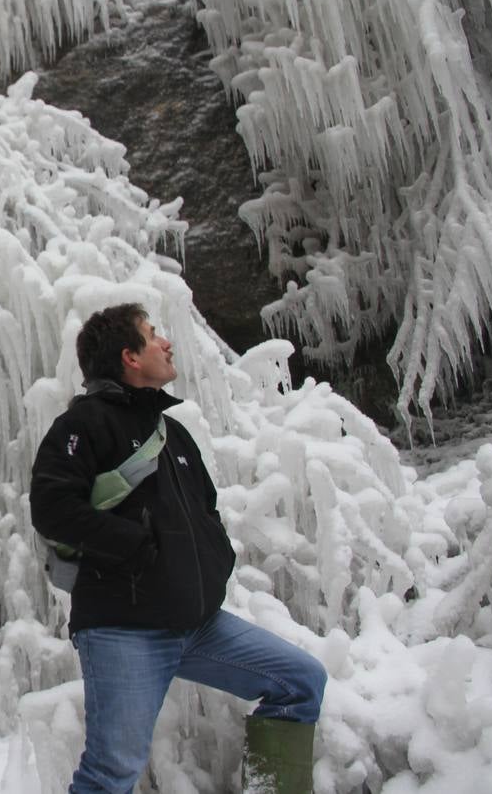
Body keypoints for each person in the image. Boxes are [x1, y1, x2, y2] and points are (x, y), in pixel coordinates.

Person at [29, 303, 326, 794]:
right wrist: (135, 547)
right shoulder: (83, 426)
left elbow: (204, 509)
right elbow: (52, 508)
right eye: (153, 335)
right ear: (129, 356)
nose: (166, 343)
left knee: (300, 683)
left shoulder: (174, 432)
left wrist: (218, 559)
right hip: (124, 630)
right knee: (111, 773)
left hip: (198, 624)